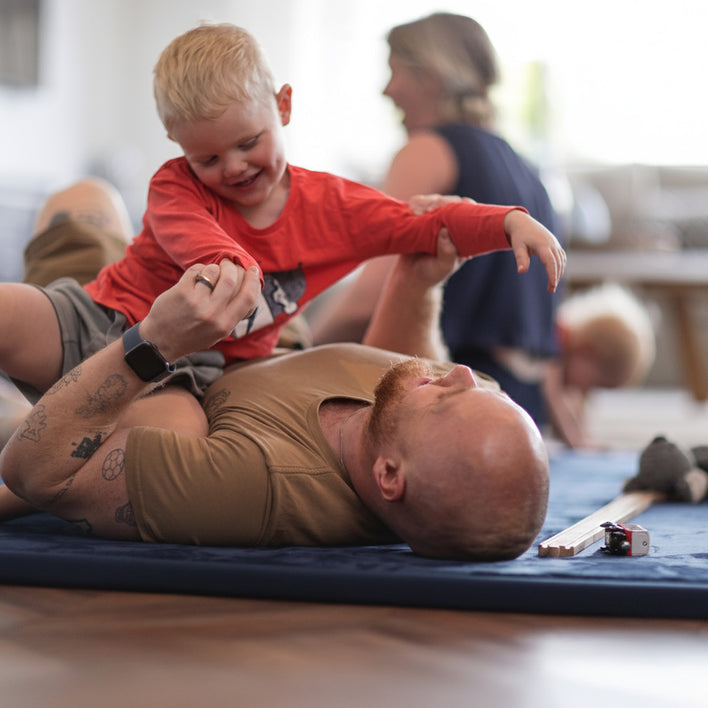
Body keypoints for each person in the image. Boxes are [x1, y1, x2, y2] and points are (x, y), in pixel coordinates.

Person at [0, 21, 565, 463]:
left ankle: (23, 467)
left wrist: (508, 222)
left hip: (187, 367)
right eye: (209, 158)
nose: (235, 167)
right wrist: (238, 267)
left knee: (178, 441)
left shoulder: (333, 206)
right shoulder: (173, 186)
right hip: (100, 318)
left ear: (284, 107)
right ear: (178, 144)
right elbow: (199, 241)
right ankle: (28, 429)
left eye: (249, 142)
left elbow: (420, 224)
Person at [0, 182, 550, 561]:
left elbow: (33, 470)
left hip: (153, 349)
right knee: (94, 197)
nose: (461, 374)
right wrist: (418, 281)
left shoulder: (254, 487)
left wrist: (154, 340)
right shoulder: (422, 423)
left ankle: (17, 410)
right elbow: (405, 372)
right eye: (480, 389)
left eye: (450, 398)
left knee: (79, 204)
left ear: (389, 477)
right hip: (243, 321)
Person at [308, 12, 563, 427]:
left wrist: (297, 352)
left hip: (449, 397)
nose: (386, 89)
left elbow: (369, 297)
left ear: (431, 75)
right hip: (519, 408)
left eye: (394, 71)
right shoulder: (527, 169)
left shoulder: (428, 149)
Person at [543, 283, 656, 448]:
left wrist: (582, 434)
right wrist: (575, 441)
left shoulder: (572, 357)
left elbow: (575, 403)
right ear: (587, 351)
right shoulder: (555, 336)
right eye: (593, 384)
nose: (585, 392)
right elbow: (552, 395)